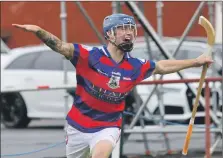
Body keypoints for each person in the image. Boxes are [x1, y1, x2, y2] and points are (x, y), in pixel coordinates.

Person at [12, 13, 213, 158]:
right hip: (77, 126)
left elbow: (161, 66)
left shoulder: (135, 66)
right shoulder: (89, 56)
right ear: (109, 34)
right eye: (122, 29)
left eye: (131, 29)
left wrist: (194, 62)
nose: (128, 34)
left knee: (101, 154)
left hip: (108, 127)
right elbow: (61, 46)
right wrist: (39, 32)